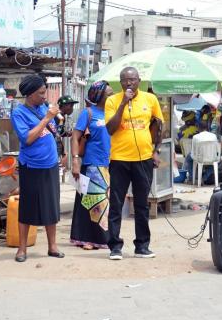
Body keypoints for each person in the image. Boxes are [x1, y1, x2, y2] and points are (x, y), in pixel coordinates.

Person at [105, 67, 164, 260]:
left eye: (132, 80)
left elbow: (159, 126)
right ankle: (115, 247)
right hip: (120, 159)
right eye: (124, 80)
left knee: (142, 205)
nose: (129, 83)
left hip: (143, 160)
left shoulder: (150, 99)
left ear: (139, 80)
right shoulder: (112, 101)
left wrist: (156, 151)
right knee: (116, 204)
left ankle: (142, 246)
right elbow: (111, 129)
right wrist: (123, 103)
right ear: (120, 83)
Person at [10, 74, 64, 262]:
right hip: (31, 165)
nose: (44, 96)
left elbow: (55, 129)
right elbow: (28, 138)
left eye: (45, 92)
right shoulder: (19, 113)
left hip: (50, 164)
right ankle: (22, 249)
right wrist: (46, 118)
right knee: (27, 207)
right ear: (30, 94)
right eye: (41, 93)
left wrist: (56, 118)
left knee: (51, 206)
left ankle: (52, 246)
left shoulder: (44, 107)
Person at [70, 81, 114, 250]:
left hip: (111, 163)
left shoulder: (114, 113)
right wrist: (75, 160)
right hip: (92, 164)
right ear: (99, 97)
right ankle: (90, 239)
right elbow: (75, 137)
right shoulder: (88, 113)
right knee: (93, 202)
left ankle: (102, 237)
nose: (112, 96)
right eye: (109, 94)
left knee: (106, 202)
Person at [55, 95, 79, 169]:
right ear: (63, 106)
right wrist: (62, 152)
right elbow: (56, 135)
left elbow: (60, 132)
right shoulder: (57, 116)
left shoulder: (62, 116)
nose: (72, 108)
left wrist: (67, 133)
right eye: (70, 105)